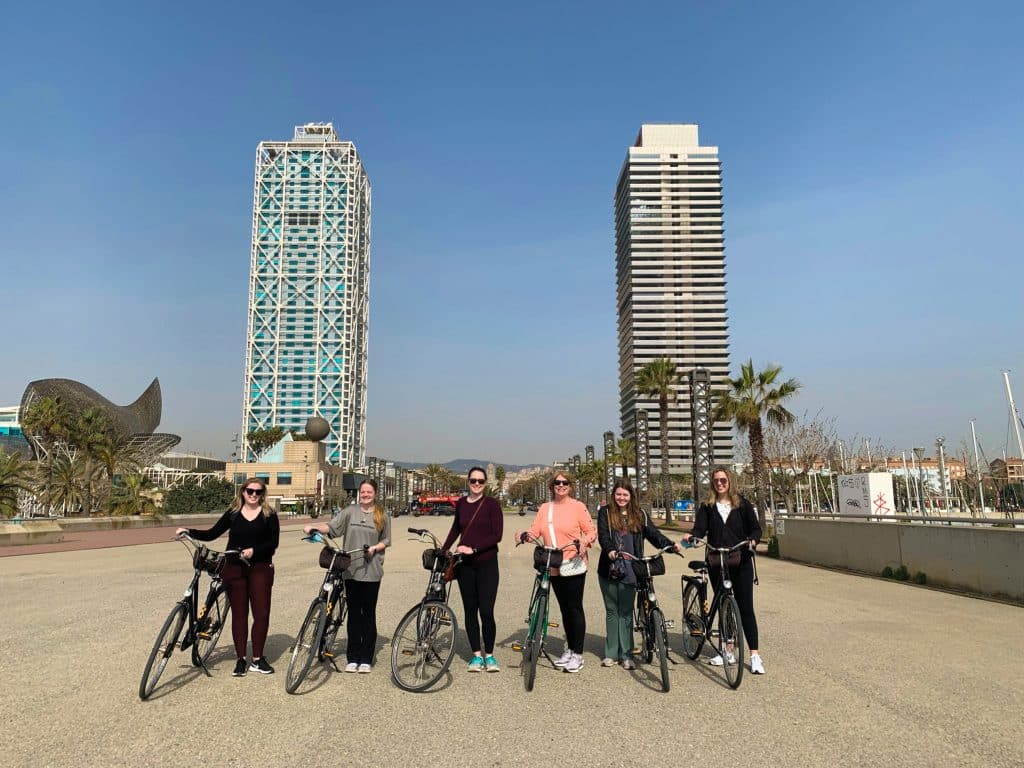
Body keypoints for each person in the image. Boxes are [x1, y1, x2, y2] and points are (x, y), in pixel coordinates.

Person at [176, 477, 280, 677]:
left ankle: (257, 659)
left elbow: (272, 542)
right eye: (250, 491)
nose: (253, 495)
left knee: (261, 614)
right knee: (239, 614)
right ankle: (241, 659)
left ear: (263, 494)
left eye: (258, 492)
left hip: (260, 567)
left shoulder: (269, 514)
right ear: (243, 491)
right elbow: (212, 533)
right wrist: (189, 532)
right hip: (234, 568)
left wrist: (253, 551)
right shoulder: (233, 514)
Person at [683, 466, 764, 674]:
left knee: (746, 608)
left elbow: (756, 528)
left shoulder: (743, 504)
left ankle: (755, 655)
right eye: (716, 480)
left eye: (723, 480)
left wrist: (753, 540)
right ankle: (728, 650)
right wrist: (692, 536)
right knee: (723, 605)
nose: (720, 483)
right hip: (717, 560)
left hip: (741, 560)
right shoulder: (707, 507)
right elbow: (700, 529)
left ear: (730, 481)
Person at [304, 478, 391, 673]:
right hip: (350, 570)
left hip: (372, 571)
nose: (366, 495)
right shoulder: (350, 512)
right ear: (359, 493)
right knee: (353, 614)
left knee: (367, 614)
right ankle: (353, 656)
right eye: (363, 492)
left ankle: (366, 658)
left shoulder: (382, 514)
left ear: (375, 493)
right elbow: (333, 527)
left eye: (369, 492)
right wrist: (315, 527)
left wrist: (375, 548)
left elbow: (386, 539)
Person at [516, 472, 596, 673]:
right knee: (564, 609)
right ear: (552, 486)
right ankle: (569, 649)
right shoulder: (545, 508)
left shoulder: (578, 507)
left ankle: (577, 653)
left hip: (573, 563)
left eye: (565, 482)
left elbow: (590, 531)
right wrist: (524, 535)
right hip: (552, 563)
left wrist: (585, 542)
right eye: (557, 483)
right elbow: (536, 530)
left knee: (574, 608)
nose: (561, 485)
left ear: (570, 485)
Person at [596, 479, 681, 670]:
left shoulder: (640, 514)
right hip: (609, 568)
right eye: (618, 494)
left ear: (631, 496)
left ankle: (626, 654)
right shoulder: (605, 512)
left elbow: (654, 534)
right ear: (613, 495)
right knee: (612, 611)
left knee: (625, 612)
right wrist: (610, 550)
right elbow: (603, 535)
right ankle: (611, 653)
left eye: (625, 494)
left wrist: (669, 545)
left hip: (632, 568)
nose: (621, 498)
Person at [442, 467, 504, 672]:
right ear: (468, 482)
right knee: (470, 610)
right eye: (473, 481)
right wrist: (444, 549)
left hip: (486, 563)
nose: (476, 484)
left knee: (486, 610)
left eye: (480, 481)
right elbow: (456, 529)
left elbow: (497, 535)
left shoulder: (492, 504)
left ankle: (490, 655)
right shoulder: (461, 504)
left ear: (485, 483)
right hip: (464, 566)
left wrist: (474, 549)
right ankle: (476, 655)